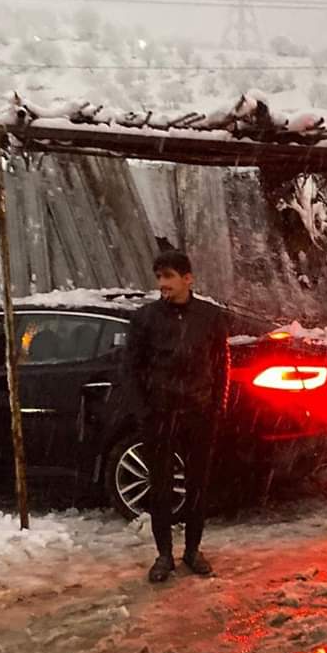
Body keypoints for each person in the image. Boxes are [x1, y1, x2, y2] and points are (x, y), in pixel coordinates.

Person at [125, 250, 229, 584]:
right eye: (159, 278)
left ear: (188, 278)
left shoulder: (210, 318)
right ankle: (164, 555)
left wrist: (216, 408)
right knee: (161, 488)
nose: (162, 284)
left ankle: (193, 550)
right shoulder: (146, 319)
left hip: (198, 414)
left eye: (168, 277)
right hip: (160, 414)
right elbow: (132, 369)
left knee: (198, 486)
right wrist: (144, 411)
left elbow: (221, 365)